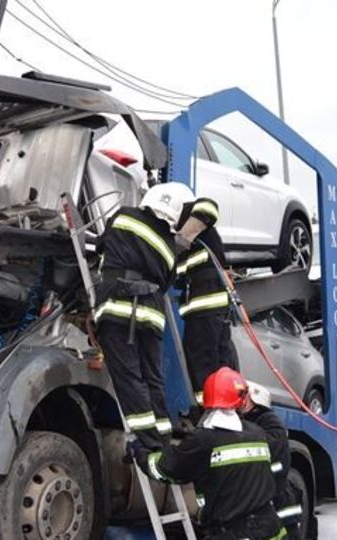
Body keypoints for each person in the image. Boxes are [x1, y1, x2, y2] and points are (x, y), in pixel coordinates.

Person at [129, 367, 286, 540]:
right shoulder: (257, 433)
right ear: (240, 399)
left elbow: (165, 469)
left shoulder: (204, 440)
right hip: (271, 530)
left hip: (233, 533)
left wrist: (140, 452)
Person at [94, 182, 194, 448]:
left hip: (118, 307)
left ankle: (150, 444)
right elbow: (166, 282)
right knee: (152, 377)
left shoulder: (124, 216)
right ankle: (162, 433)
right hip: (151, 313)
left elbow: (100, 247)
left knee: (129, 377)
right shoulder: (171, 247)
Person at [175, 197, 237, 403]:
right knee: (220, 363)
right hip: (215, 308)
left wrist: (182, 238)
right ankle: (225, 406)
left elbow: (209, 206)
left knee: (202, 362)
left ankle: (209, 409)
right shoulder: (195, 240)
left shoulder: (190, 219)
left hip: (204, 307)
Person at [241, 381, 304, 536]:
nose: (240, 399)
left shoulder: (269, 421)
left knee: (288, 534)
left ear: (255, 399)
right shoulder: (251, 421)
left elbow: (267, 448)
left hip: (278, 499)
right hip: (271, 497)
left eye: (244, 396)